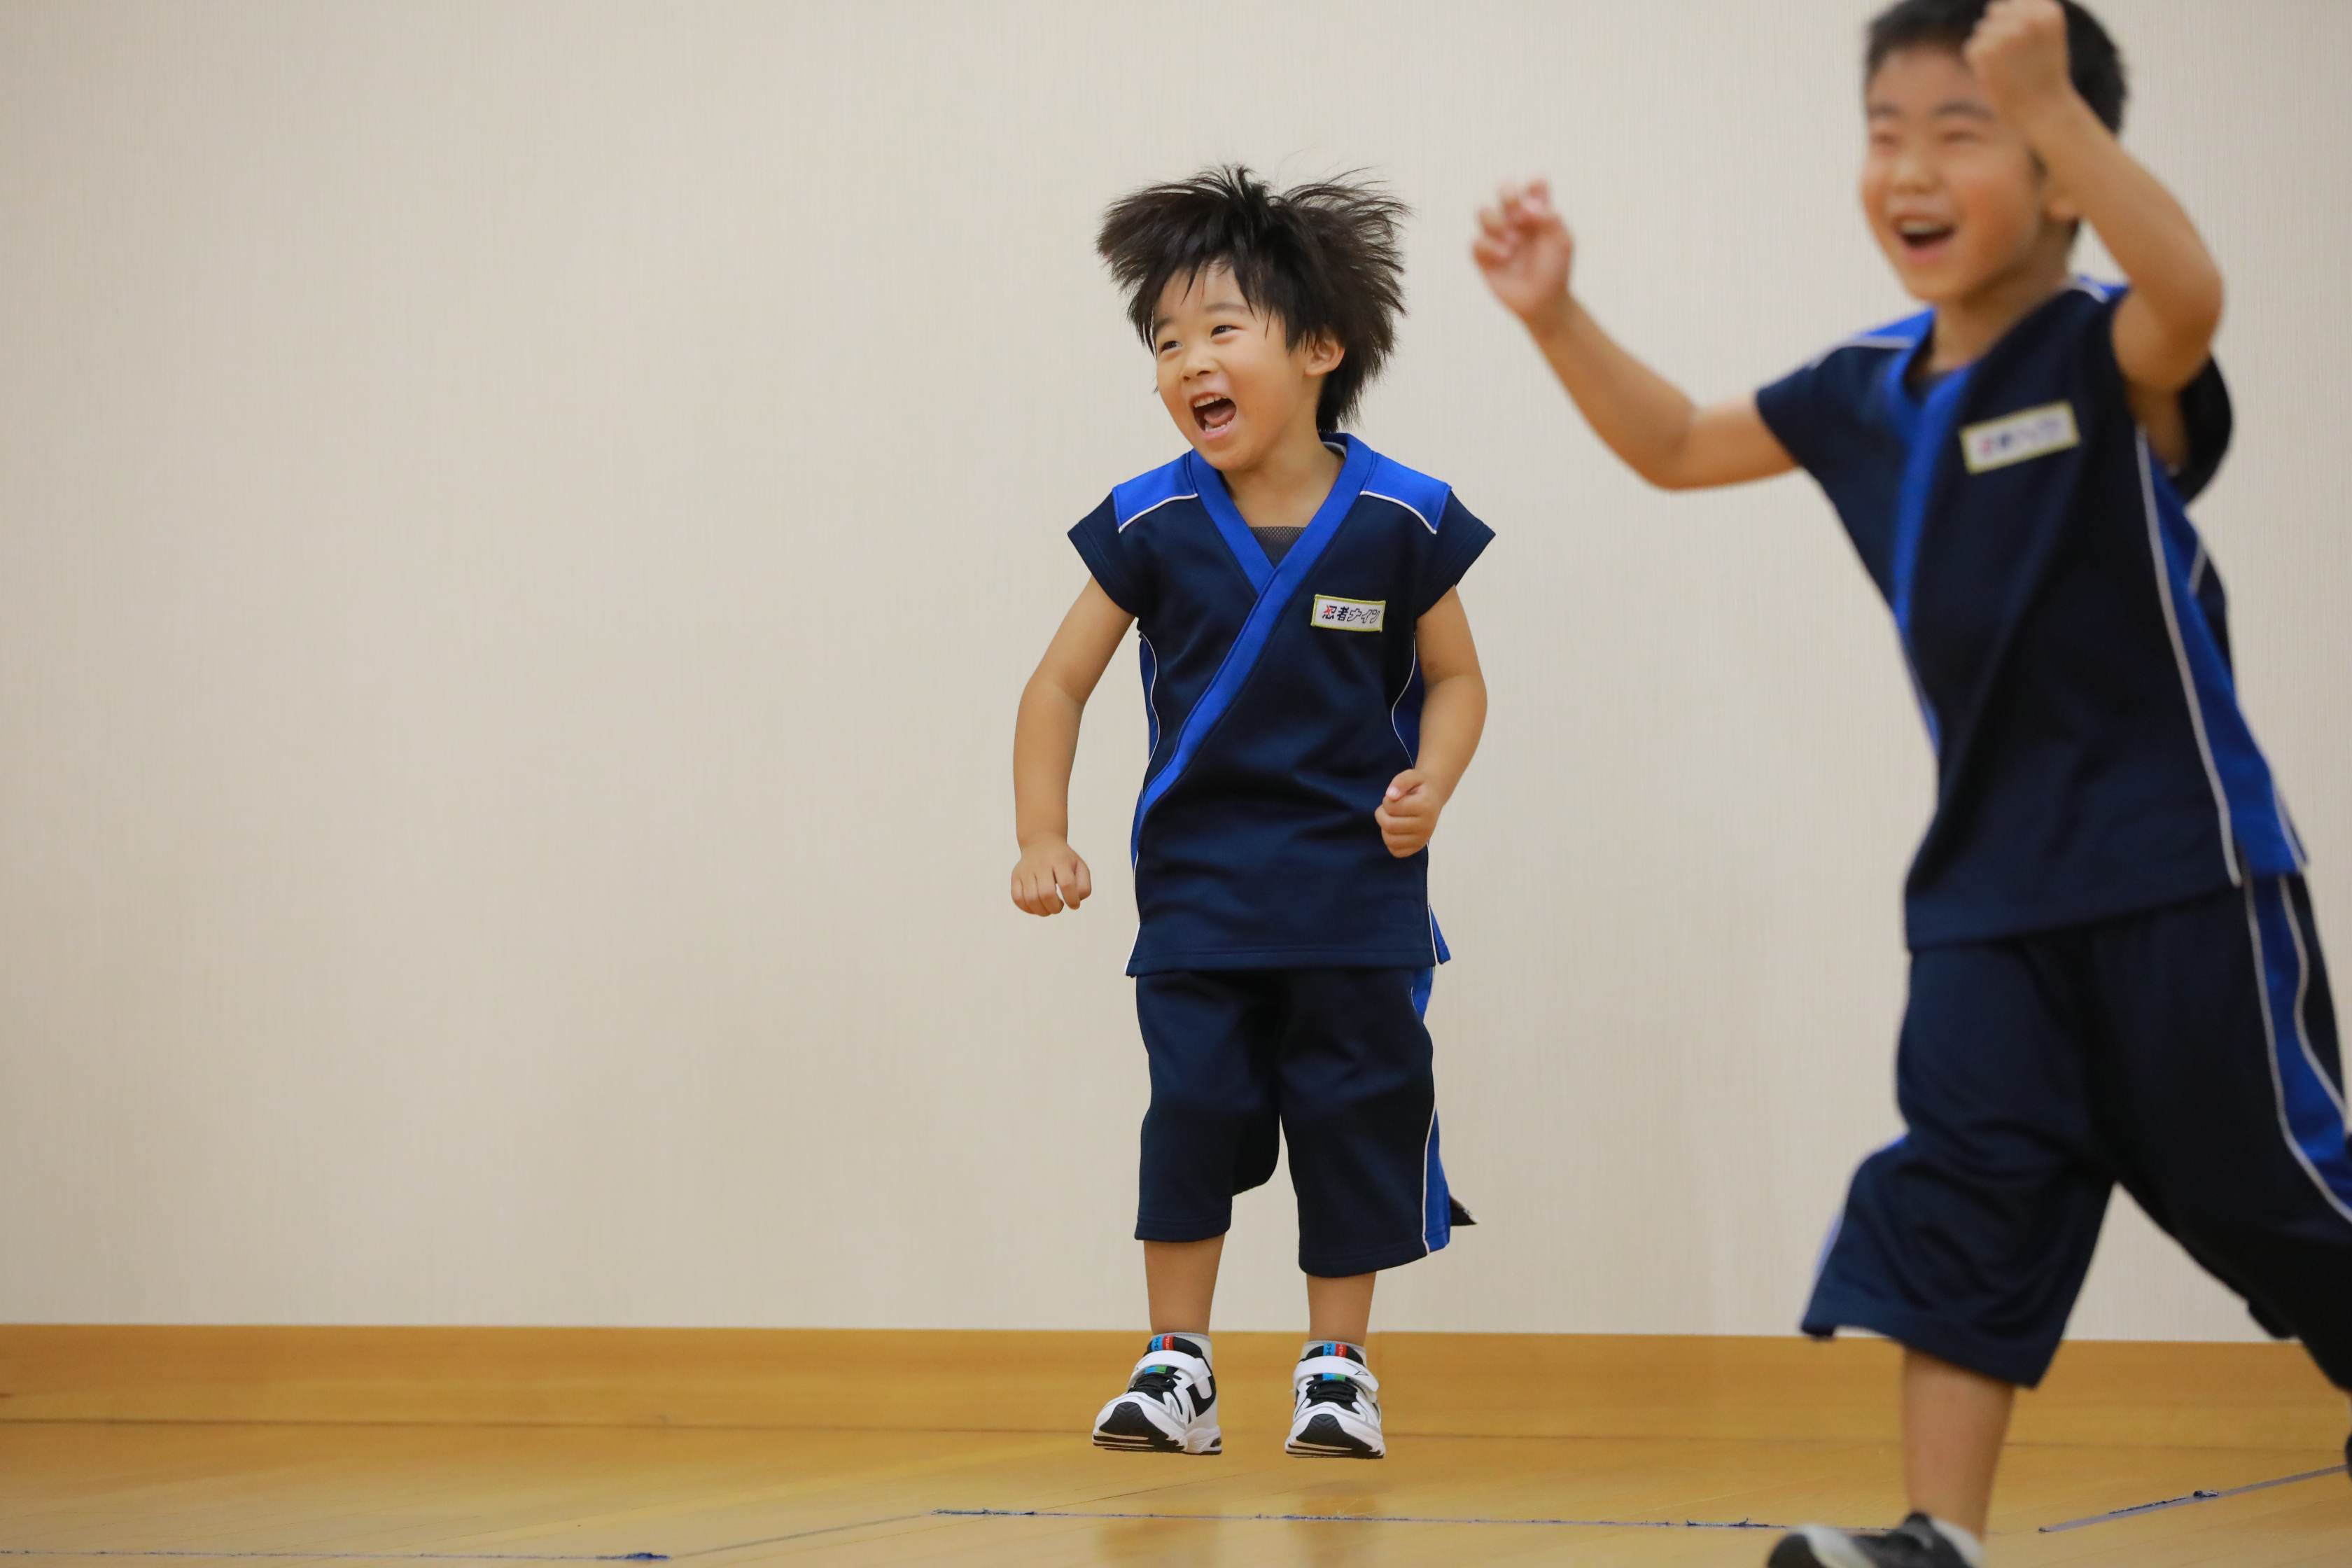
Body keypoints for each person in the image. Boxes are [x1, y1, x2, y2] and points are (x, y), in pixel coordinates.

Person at [1474, 0, 2350, 1561]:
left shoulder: (2104, 347)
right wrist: (1556, 316)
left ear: (2066, 171)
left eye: (1968, 129)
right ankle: (1938, 1534)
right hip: (1984, 901)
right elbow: (1676, 444)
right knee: (1967, 1186)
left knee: (2275, 1194)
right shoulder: (1861, 390)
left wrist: (2056, 103)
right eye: (1889, 133)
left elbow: (2192, 296)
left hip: (2184, 872)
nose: (1913, 170)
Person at [1011, 166, 1491, 1461]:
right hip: (1201, 902)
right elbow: (1056, 685)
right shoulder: (1151, 519)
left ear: (1321, 348)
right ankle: (1178, 1368)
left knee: (1353, 1125)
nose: (1189, 363)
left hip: (1356, 901)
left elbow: (1457, 679)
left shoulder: (1402, 516)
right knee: (1191, 1120)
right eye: (1167, 342)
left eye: (1222, 329)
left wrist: (1435, 779)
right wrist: (1042, 834)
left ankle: (1337, 1372)